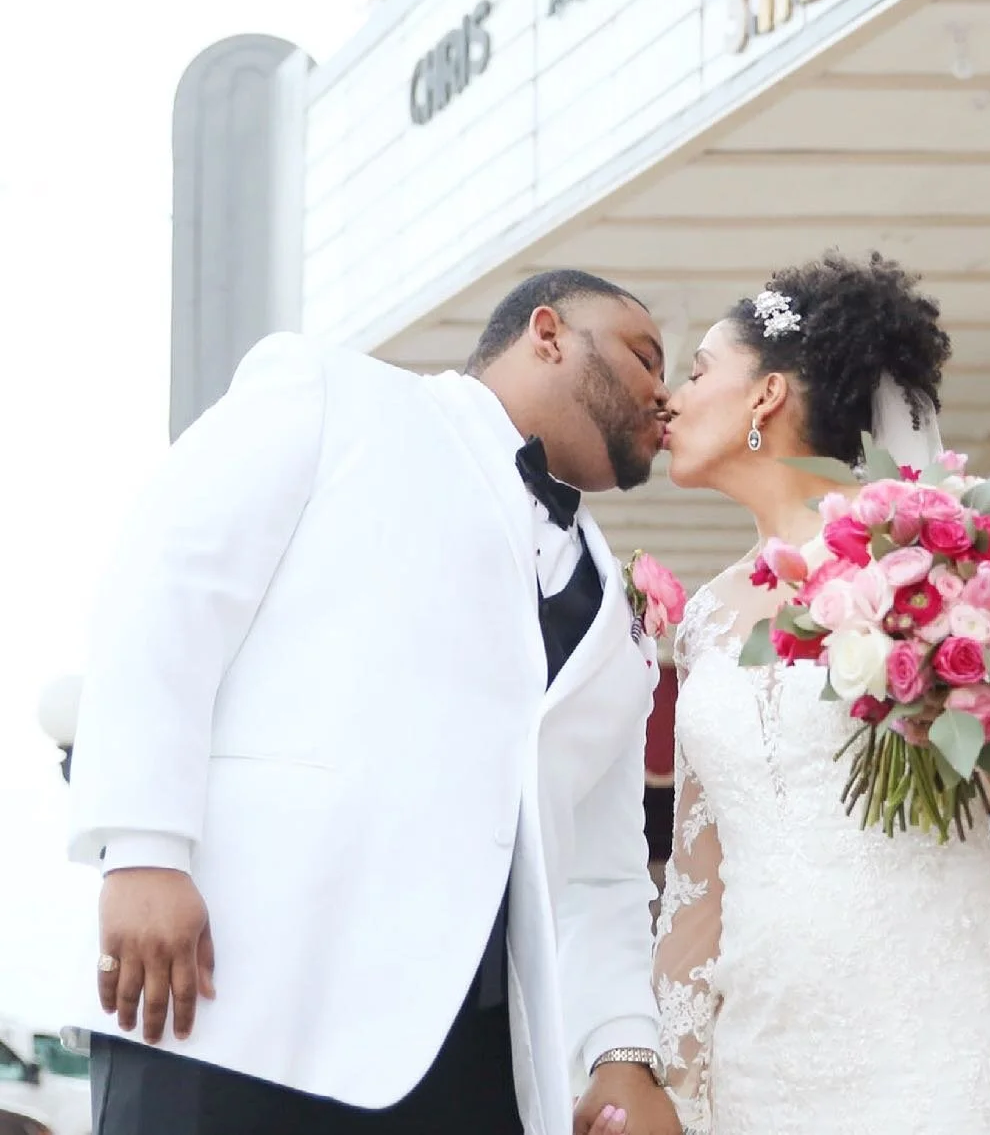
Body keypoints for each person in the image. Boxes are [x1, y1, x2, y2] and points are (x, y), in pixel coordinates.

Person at [67, 269, 682, 1135]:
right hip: (233, 993)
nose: (664, 391)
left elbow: (604, 869)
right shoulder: (332, 394)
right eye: (644, 356)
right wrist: (142, 848)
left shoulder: (621, 620)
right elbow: (169, 589)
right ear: (547, 332)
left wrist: (620, 1050)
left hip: (472, 1065)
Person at [653, 252, 990, 1135]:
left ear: (764, 396)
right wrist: (676, 1075)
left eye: (696, 373)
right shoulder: (701, 619)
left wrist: (967, 667)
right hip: (767, 1056)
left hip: (948, 1033)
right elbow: (699, 873)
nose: (672, 399)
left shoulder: (924, 559)